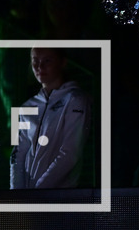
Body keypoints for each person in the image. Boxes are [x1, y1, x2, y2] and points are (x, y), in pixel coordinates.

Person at [10, 47, 92, 189]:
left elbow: (70, 152)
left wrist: (39, 192)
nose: (40, 66)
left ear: (62, 62)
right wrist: (17, 195)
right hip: (31, 200)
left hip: (61, 197)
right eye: (35, 61)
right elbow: (18, 154)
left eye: (47, 60)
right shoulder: (27, 107)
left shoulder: (75, 99)